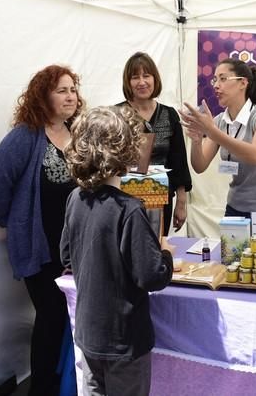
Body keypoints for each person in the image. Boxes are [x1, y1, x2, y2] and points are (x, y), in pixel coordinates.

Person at [0, 64, 85, 396]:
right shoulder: (25, 136)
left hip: (72, 248)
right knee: (51, 317)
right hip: (40, 248)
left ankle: (63, 384)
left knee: (68, 320)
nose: (70, 96)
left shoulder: (74, 132)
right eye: (62, 90)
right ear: (43, 96)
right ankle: (41, 389)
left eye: (73, 89)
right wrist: (12, 223)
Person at [60, 105, 173, 396]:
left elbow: (66, 256)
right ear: (126, 151)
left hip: (88, 334)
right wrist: (165, 253)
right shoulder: (129, 209)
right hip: (124, 340)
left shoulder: (75, 198)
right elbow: (151, 276)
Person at [181, 58, 256, 218]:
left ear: (243, 83)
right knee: (232, 245)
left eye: (223, 79)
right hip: (234, 206)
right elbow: (199, 166)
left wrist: (212, 132)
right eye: (215, 79)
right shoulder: (219, 121)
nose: (216, 85)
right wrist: (196, 139)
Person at [118, 52, 192, 234]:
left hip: (160, 198)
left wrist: (181, 203)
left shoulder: (169, 114)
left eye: (146, 75)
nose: (142, 82)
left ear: (155, 79)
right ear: (128, 82)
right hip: (125, 199)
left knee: (158, 248)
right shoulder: (117, 115)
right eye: (135, 77)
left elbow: (179, 161)